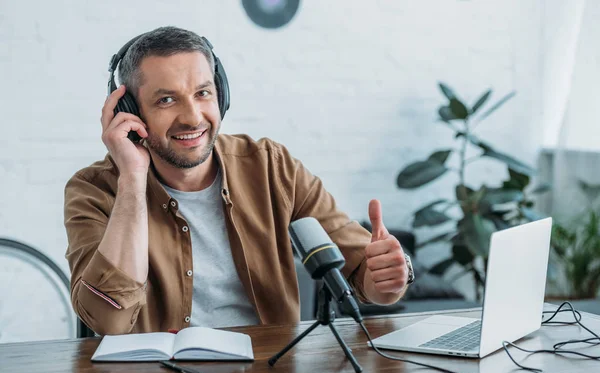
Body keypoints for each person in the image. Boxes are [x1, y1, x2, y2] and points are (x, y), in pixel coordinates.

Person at [64, 26, 412, 335]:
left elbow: (363, 274)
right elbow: (108, 322)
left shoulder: (271, 167)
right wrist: (132, 179)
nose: (192, 117)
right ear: (130, 111)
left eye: (203, 93)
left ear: (222, 94)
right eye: (166, 100)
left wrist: (386, 280)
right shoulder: (94, 190)